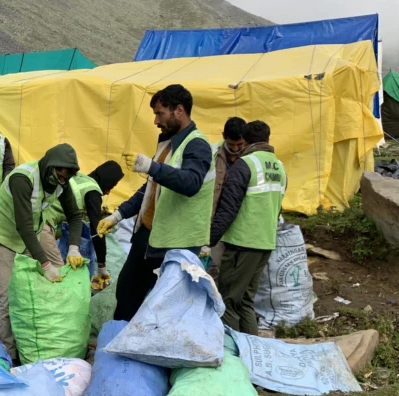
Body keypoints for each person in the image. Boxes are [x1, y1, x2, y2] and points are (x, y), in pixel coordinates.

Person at [97, 84, 214, 321]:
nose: (155, 121)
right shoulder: (168, 144)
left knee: (165, 308)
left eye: (160, 113)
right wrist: (118, 215)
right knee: (127, 295)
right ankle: (121, 346)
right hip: (149, 237)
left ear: (179, 110)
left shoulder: (197, 145)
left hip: (175, 244)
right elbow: (150, 188)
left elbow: (191, 183)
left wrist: (152, 167)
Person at [0, 143, 85, 360]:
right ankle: (9, 354)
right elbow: (23, 226)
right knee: (8, 295)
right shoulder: (23, 179)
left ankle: (43, 340)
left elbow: (75, 216)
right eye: (61, 173)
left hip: (33, 231)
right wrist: (44, 263)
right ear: (52, 165)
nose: (63, 179)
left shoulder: (62, 182)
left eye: (68, 176)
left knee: (51, 282)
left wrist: (74, 248)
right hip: (6, 236)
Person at [209, 120, 286, 336]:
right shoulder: (280, 167)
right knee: (245, 302)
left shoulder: (246, 164)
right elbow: (277, 208)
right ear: (268, 139)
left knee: (228, 301)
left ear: (246, 141)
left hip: (242, 244)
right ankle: (252, 352)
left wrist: (210, 240)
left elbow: (228, 208)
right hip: (266, 243)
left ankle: (232, 356)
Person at [43, 160, 124, 290]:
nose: (108, 192)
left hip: (38, 214)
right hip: (43, 223)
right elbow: (97, 232)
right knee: (59, 271)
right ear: (106, 180)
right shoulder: (92, 193)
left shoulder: (80, 178)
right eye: (111, 186)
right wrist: (102, 268)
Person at [207, 117, 247, 280]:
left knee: (234, 269)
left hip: (240, 222)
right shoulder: (211, 153)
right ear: (224, 136)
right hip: (214, 220)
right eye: (232, 145)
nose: (236, 149)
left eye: (240, 144)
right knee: (212, 266)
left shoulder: (251, 157)